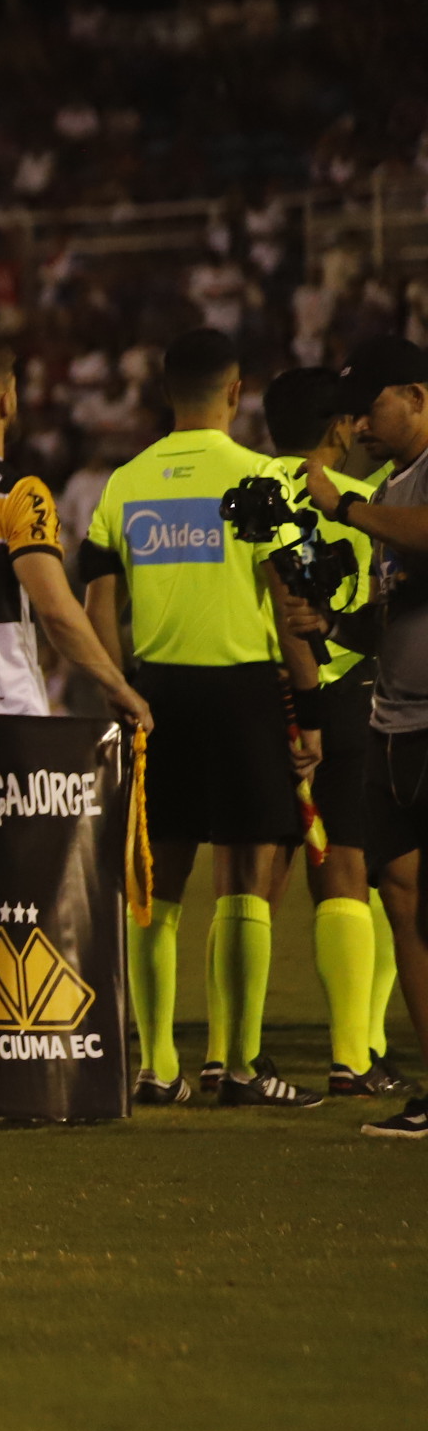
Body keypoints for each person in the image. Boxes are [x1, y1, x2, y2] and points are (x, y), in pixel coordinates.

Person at [79, 326, 321, 1108]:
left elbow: (98, 603)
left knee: (158, 881)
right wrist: (311, 710)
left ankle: (156, 1068)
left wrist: (119, 688)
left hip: (158, 697)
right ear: (235, 392)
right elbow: (289, 604)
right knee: (246, 878)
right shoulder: (259, 479)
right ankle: (240, 1067)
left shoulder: (124, 483)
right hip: (244, 694)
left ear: (165, 394)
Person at [299, 338, 428, 1136]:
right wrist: (330, 623)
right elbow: (392, 611)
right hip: (394, 721)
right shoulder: (389, 487)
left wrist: (341, 507)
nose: (360, 426)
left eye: (371, 406)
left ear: (417, 396)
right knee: (405, 901)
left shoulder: (378, 499)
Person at [261, 365, 398, 1097]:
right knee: (350, 863)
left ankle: (232, 1054)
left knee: (254, 870)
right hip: (346, 691)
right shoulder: (366, 503)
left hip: (259, 690)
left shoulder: (245, 491)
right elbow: (382, 605)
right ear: (340, 426)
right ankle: (356, 1054)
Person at [0, 338, 149, 730]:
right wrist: (117, 686)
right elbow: (56, 612)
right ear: (6, 401)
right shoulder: (18, 494)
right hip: (1, 714)